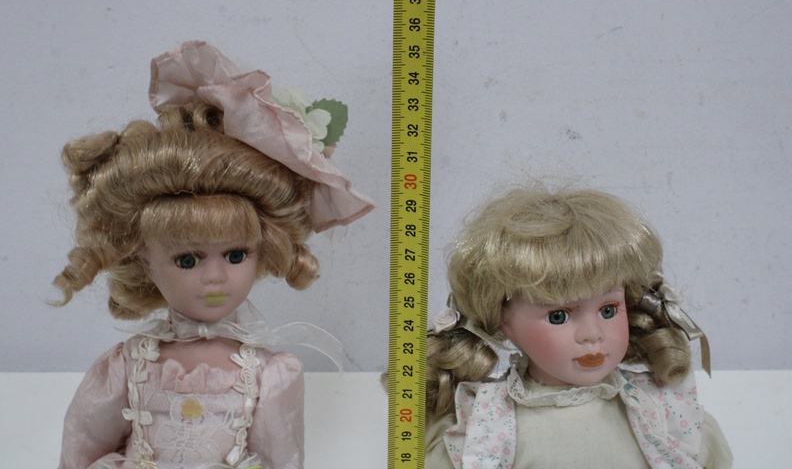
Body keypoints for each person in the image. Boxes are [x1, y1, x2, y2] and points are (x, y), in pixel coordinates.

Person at [55, 41, 374, 469]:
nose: (215, 277)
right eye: (187, 260)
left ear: (266, 248)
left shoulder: (267, 374)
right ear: (144, 260)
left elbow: (280, 457)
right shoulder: (128, 365)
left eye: (236, 255)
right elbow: (84, 446)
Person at [425, 185, 732, 468]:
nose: (592, 334)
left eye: (608, 310)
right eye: (558, 316)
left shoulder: (661, 413)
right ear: (502, 320)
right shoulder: (486, 426)